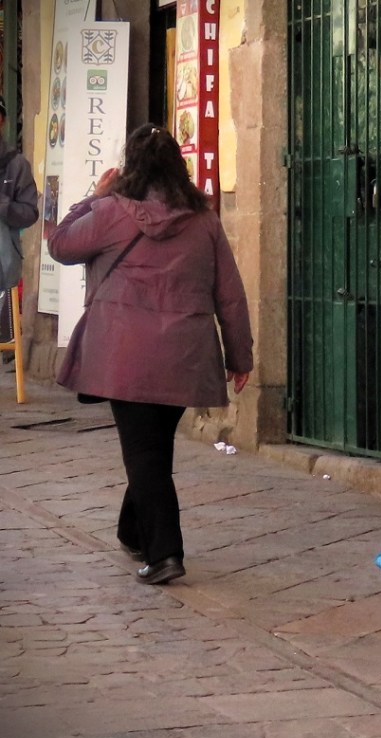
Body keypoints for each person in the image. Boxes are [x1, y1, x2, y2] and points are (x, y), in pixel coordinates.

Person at [48, 123, 253, 586]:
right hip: (186, 354)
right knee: (153, 449)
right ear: (178, 168)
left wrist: (93, 197)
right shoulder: (204, 219)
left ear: (132, 166)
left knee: (144, 453)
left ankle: (165, 553)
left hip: (126, 355)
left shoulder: (112, 212)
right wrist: (240, 356)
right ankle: (133, 531)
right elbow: (231, 294)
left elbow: (60, 245)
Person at [0, 95, 40, 291]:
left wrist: (3, 206)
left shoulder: (16, 164)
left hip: (3, 273)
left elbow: (30, 213)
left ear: (2, 121)